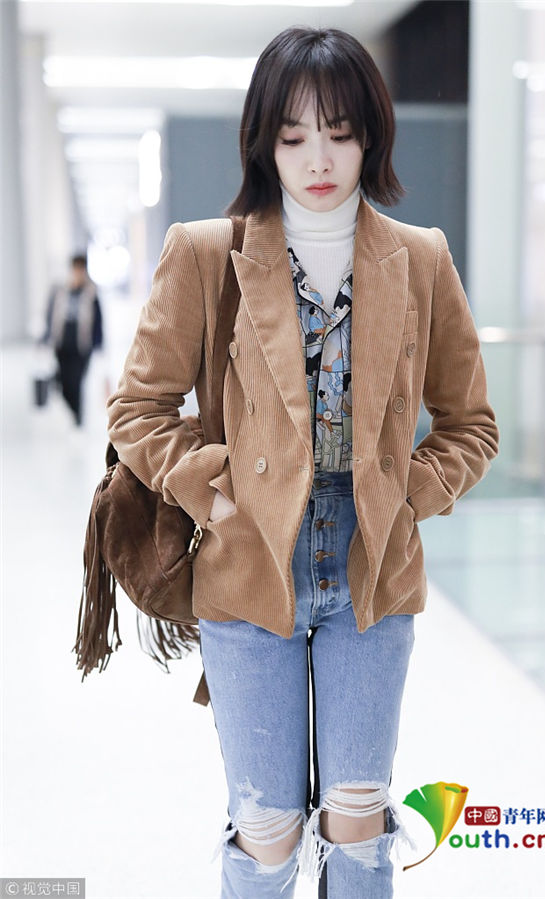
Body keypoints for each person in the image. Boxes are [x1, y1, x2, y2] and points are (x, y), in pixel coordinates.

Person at [106, 26, 499, 899]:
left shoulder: (421, 258)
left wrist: (406, 495)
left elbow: (471, 423)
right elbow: (137, 408)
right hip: (248, 563)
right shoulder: (206, 252)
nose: (318, 158)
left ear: (370, 136)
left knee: (360, 826)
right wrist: (214, 492)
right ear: (263, 142)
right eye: (293, 135)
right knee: (268, 830)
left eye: (339, 132)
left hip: (371, 567)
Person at [41, 252, 103, 426]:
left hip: (81, 347)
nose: (78, 272)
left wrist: (99, 344)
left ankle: (78, 418)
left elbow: (98, 320)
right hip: (62, 345)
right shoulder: (60, 290)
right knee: (64, 384)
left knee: (76, 383)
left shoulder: (91, 292)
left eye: (81, 269)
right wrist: (45, 338)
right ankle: (72, 411)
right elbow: (50, 316)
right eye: (75, 268)